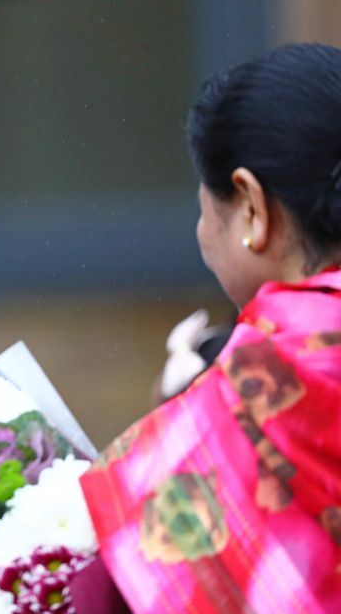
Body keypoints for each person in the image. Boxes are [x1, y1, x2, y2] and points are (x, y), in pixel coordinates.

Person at [81, 43, 341, 613]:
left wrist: (185, 411)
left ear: (251, 207)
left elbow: (117, 584)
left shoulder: (264, 373)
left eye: (206, 206)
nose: (203, 231)